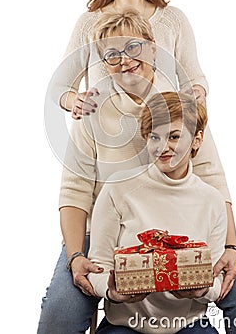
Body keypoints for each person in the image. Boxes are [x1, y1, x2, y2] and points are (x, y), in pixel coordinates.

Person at [38, 0, 236, 333]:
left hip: (180, 222)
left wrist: (230, 245)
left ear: (155, 50)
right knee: (61, 309)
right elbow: (74, 189)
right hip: (108, 225)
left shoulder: (177, 106)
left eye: (135, 50)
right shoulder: (94, 105)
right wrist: (77, 256)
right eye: (112, 53)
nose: (125, 60)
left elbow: (213, 175)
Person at [88, 90, 227, 334]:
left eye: (174, 136)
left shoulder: (212, 201)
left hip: (188, 325)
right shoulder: (118, 188)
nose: (163, 147)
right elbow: (98, 265)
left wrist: (203, 290)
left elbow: (215, 280)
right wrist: (113, 293)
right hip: (125, 325)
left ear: (197, 139)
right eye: (154, 137)